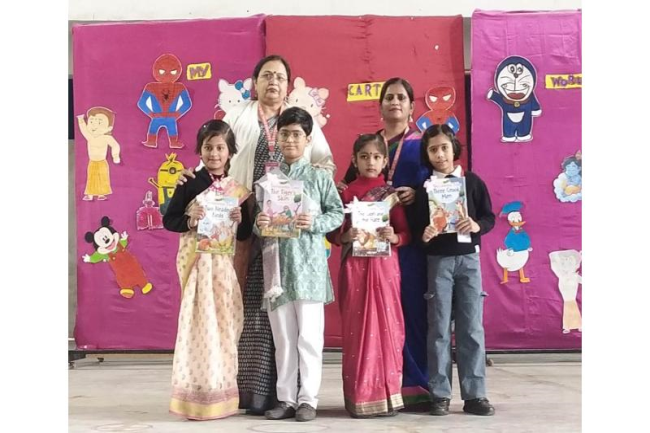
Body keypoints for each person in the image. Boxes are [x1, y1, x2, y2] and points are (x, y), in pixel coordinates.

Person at [176, 55, 335, 415]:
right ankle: (253, 393)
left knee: (295, 318)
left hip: (293, 231)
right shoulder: (239, 116)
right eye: (266, 76)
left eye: (280, 77)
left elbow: (325, 163)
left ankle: (298, 397)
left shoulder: (299, 120)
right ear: (255, 82)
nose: (273, 82)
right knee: (253, 307)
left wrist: (307, 196)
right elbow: (217, 157)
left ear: (288, 84)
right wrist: (193, 178)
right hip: (247, 219)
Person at [338, 77, 431, 408]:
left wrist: (416, 194)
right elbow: (349, 186)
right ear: (380, 105)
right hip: (366, 251)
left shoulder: (421, 144)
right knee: (373, 318)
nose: (395, 102)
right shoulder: (371, 144)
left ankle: (415, 384)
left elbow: (435, 185)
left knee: (410, 312)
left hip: (405, 241)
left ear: (411, 106)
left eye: (401, 97)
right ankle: (378, 385)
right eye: (389, 97)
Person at [256, 107, 343, 422]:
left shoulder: (319, 177)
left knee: (309, 338)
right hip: (277, 271)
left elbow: (337, 213)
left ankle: (308, 400)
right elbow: (259, 225)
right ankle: (286, 400)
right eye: (285, 134)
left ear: (308, 139)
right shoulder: (268, 181)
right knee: (283, 339)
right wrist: (260, 223)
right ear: (277, 138)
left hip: (309, 269)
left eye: (296, 134)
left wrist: (315, 222)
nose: (290, 140)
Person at [162, 120, 252, 420]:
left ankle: (222, 391)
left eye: (220, 148)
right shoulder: (189, 183)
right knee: (199, 325)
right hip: (196, 264)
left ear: (230, 152)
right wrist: (191, 219)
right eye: (208, 147)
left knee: (225, 324)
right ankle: (197, 392)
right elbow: (170, 220)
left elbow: (243, 235)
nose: (214, 154)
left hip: (223, 266)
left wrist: (240, 218)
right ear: (200, 150)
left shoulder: (236, 190)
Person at [414, 124, 496, 416]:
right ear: (427, 154)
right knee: (438, 329)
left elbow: (489, 217)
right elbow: (416, 231)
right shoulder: (425, 189)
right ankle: (440, 394)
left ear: (454, 148)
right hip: (438, 262)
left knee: (471, 328)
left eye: (444, 148)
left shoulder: (471, 182)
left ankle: (475, 395)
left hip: (469, 260)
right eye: (433, 149)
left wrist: (476, 225)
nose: (440, 154)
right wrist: (424, 236)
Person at [327, 134, 410, 418]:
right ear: (354, 160)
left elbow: (405, 233)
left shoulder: (390, 195)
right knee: (358, 329)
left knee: (389, 327)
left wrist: (394, 236)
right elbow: (333, 233)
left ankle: (388, 395)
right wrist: (345, 236)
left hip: (385, 268)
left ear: (385, 161)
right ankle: (361, 397)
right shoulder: (346, 193)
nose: (370, 162)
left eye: (376, 157)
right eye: (364, 157)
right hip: (355, 267)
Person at [77, 107, 121, 201]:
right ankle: (90, 194)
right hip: (92, 161)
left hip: (102, 162)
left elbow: (115, 145)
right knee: (91, 178)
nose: (94, 125)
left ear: (109, 128)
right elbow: (84, 130)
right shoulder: (90, 136)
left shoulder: (106, 137)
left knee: (103, 177)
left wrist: (115, 156)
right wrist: (81, 120)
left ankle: (101, 194)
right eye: (91, 121)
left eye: (100, 122)